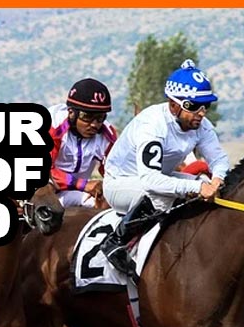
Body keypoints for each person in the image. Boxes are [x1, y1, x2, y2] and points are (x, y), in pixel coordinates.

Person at [99, 59, 231, 281]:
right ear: (173, 105)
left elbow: (219, 159)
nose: (201, 113)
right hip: (121, 183)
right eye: (193, 106)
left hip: (158, 177)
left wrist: (217, 179)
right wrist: (199, 187)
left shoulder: (201, 125)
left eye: (205, 106)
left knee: (201, 182)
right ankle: (116, 243)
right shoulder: (153, 125)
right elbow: (151, 181)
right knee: (164, 195)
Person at [48, 78, 117, 208]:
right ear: (71, 113)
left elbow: (113, 173)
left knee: (107, 202)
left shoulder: (107, 135)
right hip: (45, 189)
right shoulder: (53, 126)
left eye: (100, 118)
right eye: (87, 116)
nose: (94, 124)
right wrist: (83, 184)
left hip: (75, 192)